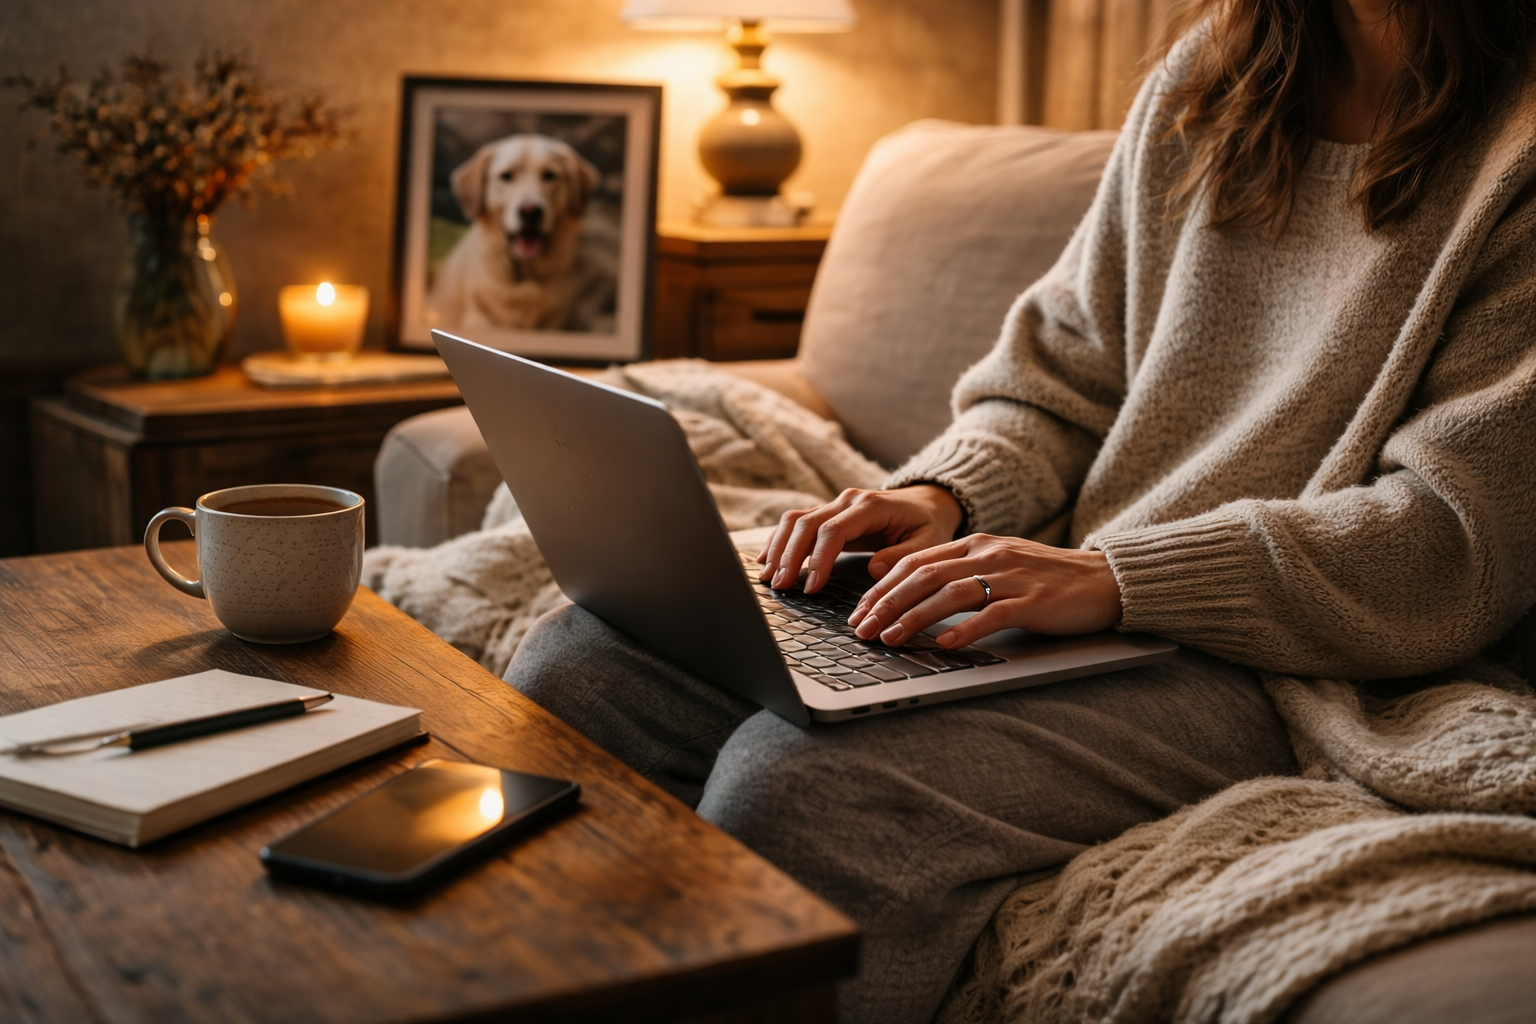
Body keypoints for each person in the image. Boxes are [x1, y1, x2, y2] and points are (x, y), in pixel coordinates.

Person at [507, 1, 1536, 1021]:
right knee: (579, 669)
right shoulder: (1209, 81)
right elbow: (1055, 382)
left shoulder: (1516, 152)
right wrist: (942, 493)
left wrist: (1120, 578)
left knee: (802, 788)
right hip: (1079, 594)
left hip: (1287, 660)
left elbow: (1452, 541)